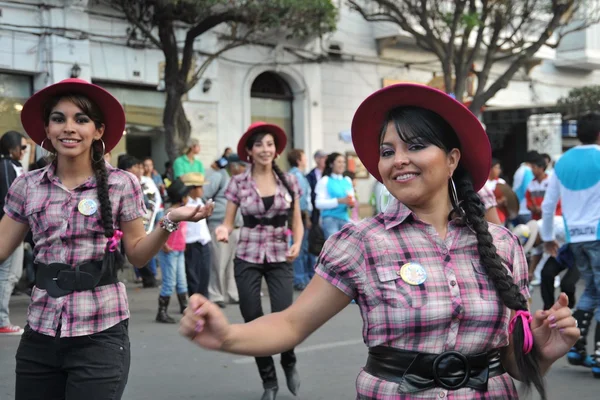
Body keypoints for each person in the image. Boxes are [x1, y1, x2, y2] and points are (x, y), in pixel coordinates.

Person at [181, 84, 579, 400]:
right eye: (388, 151)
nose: (397, 160)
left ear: (453, 159)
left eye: (416, 146)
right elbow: (290, 323)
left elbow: (513, 363)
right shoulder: (360, 241)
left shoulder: (503, 245)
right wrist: (228, 335)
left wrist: (541, 352)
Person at [0, 78, 213, 399]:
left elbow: (138, 255)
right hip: (40, 332)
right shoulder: (27, 185)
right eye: (58, 119)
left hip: (101, 333)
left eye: (81, 119)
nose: (68, 128)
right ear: (46, 128)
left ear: (98, 131)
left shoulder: (122, 184)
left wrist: (169, 221)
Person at [214, 121, 303, 400]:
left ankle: (288, 360)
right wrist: (223, 230)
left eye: (269, 144)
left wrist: (298, 242)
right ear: (249, 151)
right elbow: (228, 222)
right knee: (252, 318)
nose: (265, 149)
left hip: (279, 256)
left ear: (275, 150)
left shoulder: (289, 181)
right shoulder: (238, 182)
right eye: (259, 144)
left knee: (283, 314)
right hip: (248, 256)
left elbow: (296, 221)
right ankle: (269, 382)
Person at [541, 112, 600, 378]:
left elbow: (548, 203)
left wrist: (547, 237)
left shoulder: (562, 162)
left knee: (591, 290)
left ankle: (577, 348)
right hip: (598, 234)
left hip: (575, 238)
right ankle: (598, 355)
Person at [204, 153, 245, 308]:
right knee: (218, 262)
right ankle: (216, 294)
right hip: (219, 225)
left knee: (232, 263)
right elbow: (205, 196)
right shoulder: (219, 177)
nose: (244, 169)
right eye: (242, 166)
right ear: (234, 166)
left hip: (236, 226)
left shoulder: (240, 180)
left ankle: (231, 294)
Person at [0, 131, 27, 335]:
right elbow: (11, 201)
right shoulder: (7, 167)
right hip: (10, 229)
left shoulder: (12, 166)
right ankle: (2, 320)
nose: (24, 152)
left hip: (12, 229)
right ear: (12, 147)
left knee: (10, 274)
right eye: (23, 147)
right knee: (8, 274)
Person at [156, 178, 192, 324]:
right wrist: (163, 244)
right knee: (169, 282)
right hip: (169, 251)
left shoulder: (180, 211)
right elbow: (160, 229)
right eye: (187, 195)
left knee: (182, 281)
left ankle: (185, 308)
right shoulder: (170, 212)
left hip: (179, 250)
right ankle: (161, 312)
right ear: (182, 197)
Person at [181, 172, 212, 298]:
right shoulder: (185, 205)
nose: (202, 190)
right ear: (192, 189)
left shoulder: (201, 201)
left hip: (204, 242)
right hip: (191, 243)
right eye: (200, 187)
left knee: (205, 274)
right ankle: (194, 303)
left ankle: (204, 301)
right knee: (193, 276)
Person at [287, 149, 313, 291]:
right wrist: (306, 216)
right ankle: (300, 278)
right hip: (299, 216)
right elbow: (301, 200)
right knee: (300, 248)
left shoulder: (296, 175)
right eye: (304, 157)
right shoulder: (296, 176)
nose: (306, 159)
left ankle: (302, 277)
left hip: (298, 215)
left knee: (301, 248)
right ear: (298, 160)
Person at [315, 152, 355, 239]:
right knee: (334, 249)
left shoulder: (347, 180)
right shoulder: (325, 180)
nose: (342, 164)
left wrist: (351, 204)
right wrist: (339, 201)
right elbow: (318, 204)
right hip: (330, 219)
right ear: (331, 164)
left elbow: (352, 200)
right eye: (339, 162)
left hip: (345, 219)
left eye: (343, 162)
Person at [305, 149, 327, 224]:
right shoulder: (310, 176)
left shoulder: (330, 174)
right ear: (316, 159)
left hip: (329, 211)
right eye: (323, 158)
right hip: (315, 211)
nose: (325, 160)